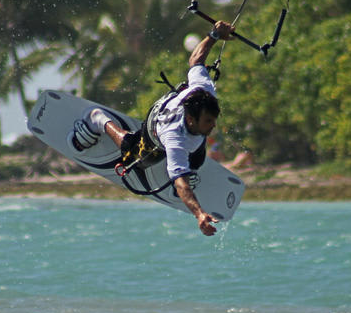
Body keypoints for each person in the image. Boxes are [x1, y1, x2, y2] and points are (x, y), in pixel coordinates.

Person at [68, 20, 235, 236]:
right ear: (192, 120)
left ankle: (187, 164)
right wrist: (199, 214)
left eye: (213, 120)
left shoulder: (205, 89)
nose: (213, 126)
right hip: (157, 126)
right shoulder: (175, 138)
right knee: (135, 158)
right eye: (208, 122)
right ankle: (98, 121)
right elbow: (181, 184)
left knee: (197, 157)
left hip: (186, 120)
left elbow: (196, 59)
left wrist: (213, 35)